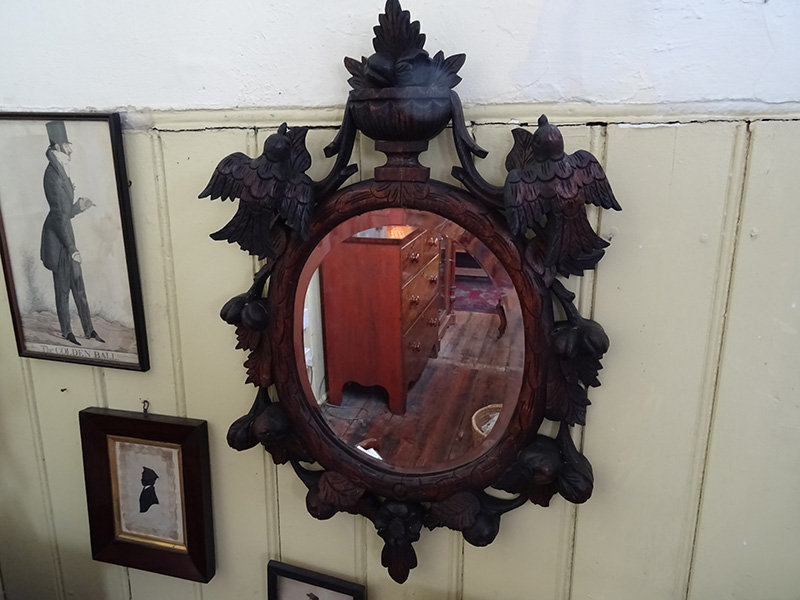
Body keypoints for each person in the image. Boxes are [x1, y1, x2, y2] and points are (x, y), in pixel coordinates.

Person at [40, 121, 104, 346]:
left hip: (65, 234)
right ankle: (67, 331)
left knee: (79, 287)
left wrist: (79, 206)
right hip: (58, 241)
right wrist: (72, 248)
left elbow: (65, 212)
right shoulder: (52, 175)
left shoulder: (61, 167)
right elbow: (58, 217)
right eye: (67, 144)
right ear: (57, 146)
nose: (71, 148)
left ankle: (89, 330)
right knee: (63, 290)